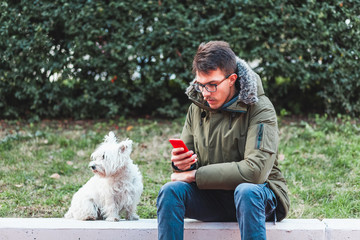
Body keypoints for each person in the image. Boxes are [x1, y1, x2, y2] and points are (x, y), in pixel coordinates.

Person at [157, 41, 290, 240]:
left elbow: (255, 172)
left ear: (231, 79)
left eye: (212, 85)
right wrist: (181, 164)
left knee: (246, 192)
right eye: (201, 85)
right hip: (212, 197)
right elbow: (187, 165)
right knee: (170, 192)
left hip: (259, 197)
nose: (205, 93)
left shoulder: (260, 108)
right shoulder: (197, 107)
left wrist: (194, 175)